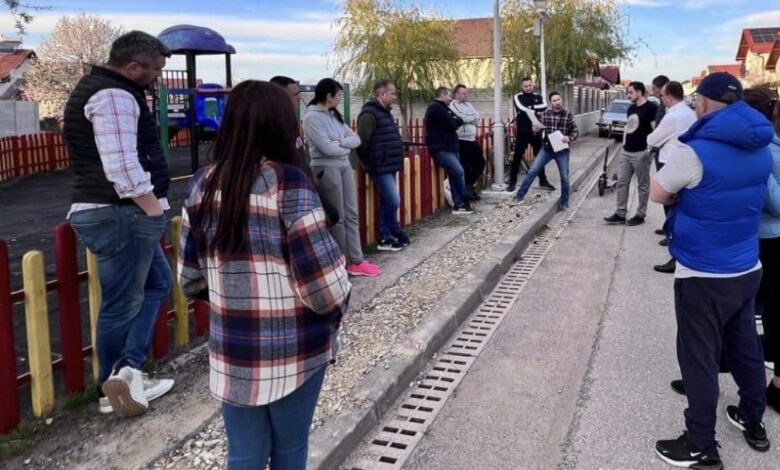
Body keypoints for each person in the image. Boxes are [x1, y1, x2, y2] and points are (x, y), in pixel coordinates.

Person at [178, 80, 351, 470]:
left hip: (232, 348)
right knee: (290, 451)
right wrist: (337, 310)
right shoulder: (289, 183)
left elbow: (190, 278)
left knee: (243, 454)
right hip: (295, 348)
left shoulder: (201, 185)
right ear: (280, 124)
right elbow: (325, 287)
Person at [651, 72, 773, 469]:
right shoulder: (761, 148)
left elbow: (658, 193)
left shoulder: (695, 150)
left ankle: (701, 444)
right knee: (745, 348)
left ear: (702, 103)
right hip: (747, 265)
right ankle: (752, 419)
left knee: (699, 357)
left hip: (703, 271)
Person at [63, 31, 174, 416]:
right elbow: (122, 165)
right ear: (132, 67)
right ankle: (114, 381)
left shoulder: (104, 88)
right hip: (120, 211)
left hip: (115, 210)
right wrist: (153, 208)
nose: (157, 77)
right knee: (122, 302)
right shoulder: (114, 95)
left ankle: (128, 371)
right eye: (155, 70)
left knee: (157, 283)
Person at [303, 78, 381, 277]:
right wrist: (340, 145)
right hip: (326, 168)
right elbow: (326, 148)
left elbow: (356, 139)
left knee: (352, 213)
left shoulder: (333, 115)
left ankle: (357, 259)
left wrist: (341, 143)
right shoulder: (312, 118)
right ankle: (341, 262)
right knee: (338, 217)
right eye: (338, 95)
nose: (340, 99)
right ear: (328, 96)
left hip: (344, 165)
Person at [743, 86, 780, 416]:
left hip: (768, 239)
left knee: (759, 308)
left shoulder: (765, 150)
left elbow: (776, 203)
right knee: (768, 308)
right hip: (768, 238)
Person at [270, 75, 339, 226]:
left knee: (331, 215)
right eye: (295, 94)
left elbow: (299, 151)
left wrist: (309, 175)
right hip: (291, 187)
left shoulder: (290, 119)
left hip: (306, 179)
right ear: (279, 96)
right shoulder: (271, 127)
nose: (299, 98)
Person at [646, 81, 697, 274]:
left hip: (669, 162)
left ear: (668, 97)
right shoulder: (687, 113)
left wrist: (655, 138)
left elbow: (651, 139)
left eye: (662, 96)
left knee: (670, 207)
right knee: (677, 208)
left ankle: (676, 256)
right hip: (683, 161)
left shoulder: (673, 116)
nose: (661, 99)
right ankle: (673, 238)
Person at [356, 79, 409, 251]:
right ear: (381, 94)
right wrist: (370, 162)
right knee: (393, 200)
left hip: (389, 163)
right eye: (392, 93)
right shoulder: (369, 115)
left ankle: (391, 233)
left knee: (388, 200)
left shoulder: (385, 113)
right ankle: (386, 235)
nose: (394, 97)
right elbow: (362, 143)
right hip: (379, 165)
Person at [510, 91, 578, 210]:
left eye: (558, 100)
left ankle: (564, 202)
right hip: (547, 149)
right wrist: (535, 128)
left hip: (562, 151)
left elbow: (575, 131)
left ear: (560, 100)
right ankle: (519, 196)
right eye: (554, 101)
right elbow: (538, 128)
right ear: (551, 103)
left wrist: (569, 138)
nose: (557, 102)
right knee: (532, 171)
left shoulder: (568, 114)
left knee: (565, 177)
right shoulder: (545, 114)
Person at [604, 81, 658, 226]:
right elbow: (628, 126)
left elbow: (656, 129)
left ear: (640, 92)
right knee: (622, 183)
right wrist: (624, 143)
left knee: (642, 185)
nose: (628, 95)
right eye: (627, 92)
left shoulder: (651, 108)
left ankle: (640, 214)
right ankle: (620, 213)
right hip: (627, 151)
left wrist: (650, 149)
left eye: (630, 92)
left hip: (642, 152)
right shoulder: (631, 108)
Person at [424, 86, 473, 215]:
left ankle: (458, 204)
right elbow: (453, 124)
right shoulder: (435, 108)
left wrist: (455, 121)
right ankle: (462, 201)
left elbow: (459, 120)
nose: (450, 98)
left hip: (451, 146)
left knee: (454, 174)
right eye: (448, 96)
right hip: (441, 148)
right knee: (458, 171)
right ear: (443, 95)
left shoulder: (445, 108)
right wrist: (455, 121)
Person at [508, 77, 554, 192]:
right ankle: (512, 181)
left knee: (540, 157)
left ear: (532, 85)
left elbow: (544, 106)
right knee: (517, 157)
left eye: (529, 85)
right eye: (525, 86)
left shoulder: (538, 97)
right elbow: (520, 108)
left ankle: (543, 180)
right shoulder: (518, 97)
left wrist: (530, 108)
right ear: (522, 87)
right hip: (522, 132)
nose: (528, 88)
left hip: (536, 131)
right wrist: (534, 109)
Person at [449, 84, 485, 201]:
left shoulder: (469, 105)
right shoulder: (452, 106)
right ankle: (466, 190)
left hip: (472, 138)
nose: (466, 95)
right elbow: (461, 118)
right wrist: (470, 119)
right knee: (465, 166)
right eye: (463, 93)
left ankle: (469, 185)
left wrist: (468, 118)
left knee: (480, 162)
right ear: (456, 94)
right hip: (461, 139)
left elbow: (477, 117)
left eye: (466, 93)